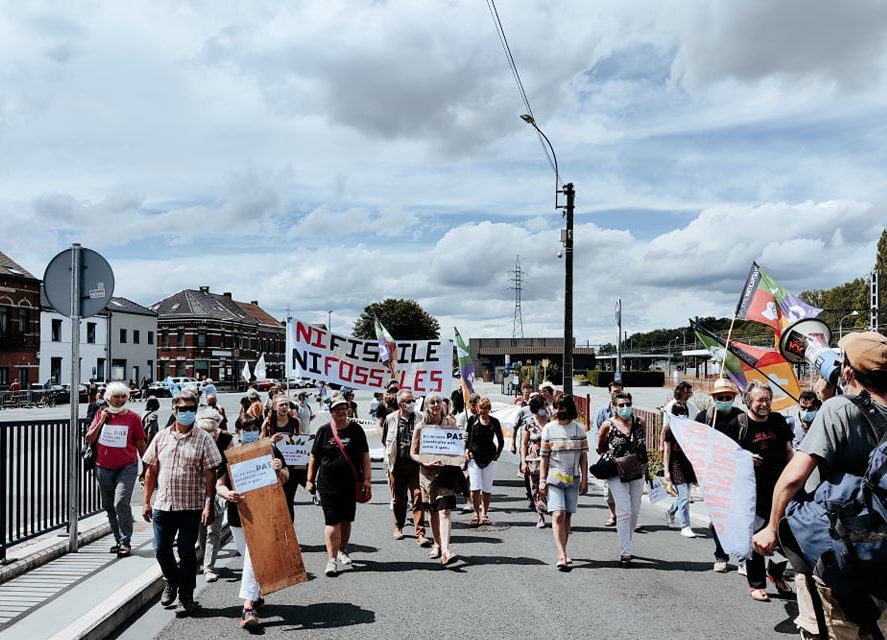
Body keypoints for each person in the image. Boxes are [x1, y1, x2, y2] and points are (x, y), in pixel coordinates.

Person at [753, 331, 887, 637]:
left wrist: (772, 526)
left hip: (836, 548)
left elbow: (795, 475)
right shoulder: (843, 406)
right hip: (881, 553)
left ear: (849, 372)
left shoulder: (838, 409)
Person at [141, 389, 223, 615]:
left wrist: (209, 504)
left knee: (187, 551)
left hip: (190, 506)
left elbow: (210, 474)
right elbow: (151, 470)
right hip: (164, 504)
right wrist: (146, 501)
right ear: (174, 410)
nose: (187, 413)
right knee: (160, 549)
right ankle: (172, 580)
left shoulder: (204, 439)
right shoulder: (161, 437)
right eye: (182, 409)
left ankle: (186, 594)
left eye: (191, 409)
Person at [215, 419, 288, 629]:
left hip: (265, 514)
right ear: (238, 432)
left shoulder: (269, 450)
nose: (251, 433)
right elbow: (220, 484)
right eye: (247, 430)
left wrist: (279, 468)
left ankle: (248, 609)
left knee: (253, 557)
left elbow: (286, 477)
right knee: (248, 556)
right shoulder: (231, 455)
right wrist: (228, 494)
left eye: (255, 429)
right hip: (239, 515)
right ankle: (256, 596)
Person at [725, 380, 793, 602]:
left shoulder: (777, 421)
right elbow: (724, 456)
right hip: (751, 492)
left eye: (767, 399)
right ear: (748, 401)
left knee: (786, 536)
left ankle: (776, 573)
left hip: (779, 487)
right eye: (759, 399)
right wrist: (744, 457)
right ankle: (756, 584)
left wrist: (795, 477)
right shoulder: (738, 424)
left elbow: (788, 450)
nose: (764, 403)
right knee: (755, 537)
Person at [306, 395, 371, 577]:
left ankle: (343, 549)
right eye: (337, 409)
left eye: (344, 408)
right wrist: (310, 480)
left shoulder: (356, 430)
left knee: (346, 519)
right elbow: (314, 457)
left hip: (351, 482)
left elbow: (365, 456)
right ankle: (332, 560)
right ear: (331, 412)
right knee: (332, 520)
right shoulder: (324, 431)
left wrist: (367, 479)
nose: (341, 412)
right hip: (328, 484)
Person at [85, 381, 147, 559]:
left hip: (126, 467)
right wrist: (102, 420)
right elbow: (90, 439)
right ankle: (118, 540)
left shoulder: (133, 417)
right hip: (103, 467)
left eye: (123, 396)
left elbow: (141, 443)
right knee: (109, 506)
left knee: (120, 502)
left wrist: (147, 467)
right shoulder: (100, 414)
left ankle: (126, 541)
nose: (120, 400)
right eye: (116, 397)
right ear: (108, 398)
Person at [694, 377, 744, 572]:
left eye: (727, 397)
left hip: (735, 474)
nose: (724, 400)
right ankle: (721, 555)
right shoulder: (704, 418)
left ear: (733, 397)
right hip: (713, 475)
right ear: (714, 398)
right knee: (718, 519)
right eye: (720, 397)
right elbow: (695, 446)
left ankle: (742, 558)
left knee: (738, 517)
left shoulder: (741, 418)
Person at [598, 391, 648, 567]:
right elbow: (601, 446)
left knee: (634, 511)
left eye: (628, 404)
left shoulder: (640, 422)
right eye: (621, 405)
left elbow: (642, 446)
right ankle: (625, 553)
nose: (625, 408)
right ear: (614, 407)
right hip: (616, 471)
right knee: (624, 510)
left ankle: (627, 540)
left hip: (637, 470)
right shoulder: (607, 425)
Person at [410, 393, 460, 565]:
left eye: (439, 401)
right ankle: (437, 544)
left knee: (445, 510)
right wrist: (426, 462)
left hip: (446, 472)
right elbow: (413, 453)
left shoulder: (450, 423)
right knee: (432, 510)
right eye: (432, 402)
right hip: (428, 474)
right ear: (426, 406)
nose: (436, 405)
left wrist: (463, 441)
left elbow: (457, 447)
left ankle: (446, 550)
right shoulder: (420, 426)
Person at [539, 395, 588, 570]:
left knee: (567, 516)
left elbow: (583, 456)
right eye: (557, 407)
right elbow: (544, 457)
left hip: (573, 477)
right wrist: (542, 481)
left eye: (563, 407)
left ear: (569, 409)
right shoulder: (549, 429)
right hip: (554, 477)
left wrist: (584, 479)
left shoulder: (578, 429)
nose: (559, 411)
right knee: (558, 514)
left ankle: (564, 550)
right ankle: (561, 554)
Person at [383, 389, 430, 545]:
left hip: (416, 466)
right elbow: (386, 441)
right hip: (397, 465)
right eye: (408, 401)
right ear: (400, 404)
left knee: (418, 497)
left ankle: (421, 533)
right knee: (398, 499)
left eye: (413, 400)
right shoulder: (390, 419)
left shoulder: (421, 418)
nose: (412, 404)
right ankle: (398, 527)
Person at [195, 408, 234, 583]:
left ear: (217, 427)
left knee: (214, 529)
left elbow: (232, 462)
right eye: (204, 431)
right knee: (200, 528)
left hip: (219, 486)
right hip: (197, 488)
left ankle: (209, 567)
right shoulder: (194, 437)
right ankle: (204, 558)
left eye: (211, 431)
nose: (207, 435)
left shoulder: (226, 439)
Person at [262, 393, 306, 521]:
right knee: (275, 501)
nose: (284, 407)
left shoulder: (295, 422)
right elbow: (259, 442)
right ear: (275, 407)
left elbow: (301, 441)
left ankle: (289, 533)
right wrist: (270, 440)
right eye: (281, 405)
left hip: (292, 466)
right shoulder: (268, 422)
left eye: (286, 404)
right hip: (273, 465)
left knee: (288, 499)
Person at [465, 396, 504, 526]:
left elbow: (501, 440)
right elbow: (467, 437)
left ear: (490, 409)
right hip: (474, 457)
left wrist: (497, 454)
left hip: (490, 457)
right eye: (481, 408)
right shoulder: (473, 420)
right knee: (475, 487)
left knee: (487, 488)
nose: (483, 410)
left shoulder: (495, 422)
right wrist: (466, 451)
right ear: (477, 408)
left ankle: (485, 513)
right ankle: (476, 513)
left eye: (486, 408)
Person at [662, 401, 697, 538]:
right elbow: (667, 451)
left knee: (684, 495)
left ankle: (670, 512)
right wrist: (666, 470)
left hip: (688, 464)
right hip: (676, 464)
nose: (683, 416)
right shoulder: (670, 430)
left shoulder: (690, 430)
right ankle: (685, 526)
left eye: (685, 414)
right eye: (680, 414)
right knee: (684, 497)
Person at [594, 380, 624, 527]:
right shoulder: (602, 411)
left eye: (619, 391)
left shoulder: (626, 409)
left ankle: (627, 516)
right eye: (614, 392)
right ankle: (613, 515)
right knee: (609, 487)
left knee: (626, 487)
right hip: (608, 455)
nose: (617, 394)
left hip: (625, 457)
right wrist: (600, 451)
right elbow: (596, 432)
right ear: (609, 393)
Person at [521, 394, 549, 528]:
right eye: (542, 407)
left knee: (549, 486)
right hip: (534, 461)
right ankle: (540, 515)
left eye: (545, 406)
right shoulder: (529, 422)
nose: (544, 409)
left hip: (550, 460)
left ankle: (550, 508)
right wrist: (523, 461)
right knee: (535, 488)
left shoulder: (551, 421)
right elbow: (524, 443)